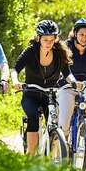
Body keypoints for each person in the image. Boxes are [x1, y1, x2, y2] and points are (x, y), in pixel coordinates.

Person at [11, 20, 72, 155]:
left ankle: (52, 157)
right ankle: (31, 157)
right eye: (45, 40)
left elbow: (67, 74)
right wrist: (15, 81)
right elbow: (15, 69)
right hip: (31, 93)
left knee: (54, 123)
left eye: (52, 40)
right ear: (39, 38)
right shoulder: (30, 51)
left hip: (49, 95)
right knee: (32, 117)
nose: (49, 43)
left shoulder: (59, 53)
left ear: (56, 39)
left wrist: (74, 82)